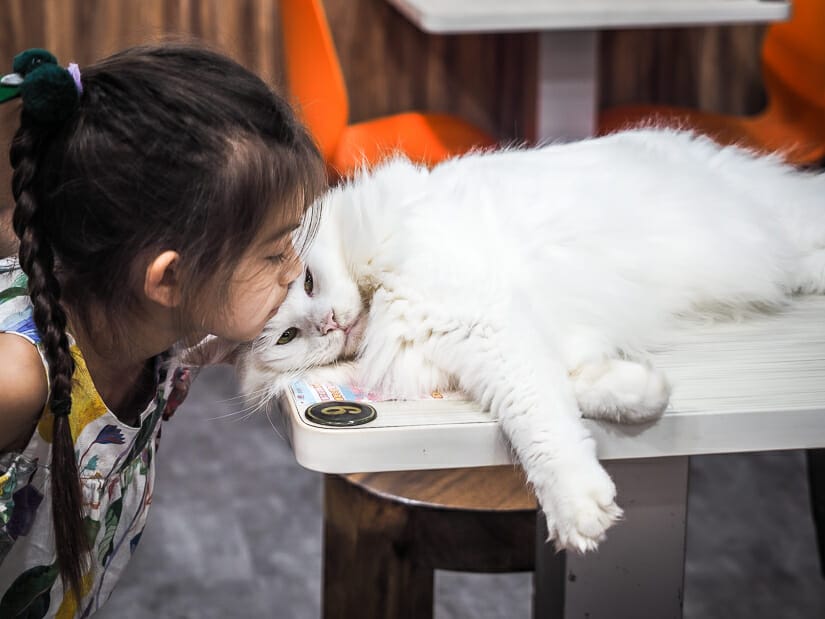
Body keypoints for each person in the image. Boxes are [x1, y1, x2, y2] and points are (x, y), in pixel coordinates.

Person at [0, 44, 326, 616]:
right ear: (170, 278)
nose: (293, 268)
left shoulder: (154, 331)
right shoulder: (17, 378)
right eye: (275, 250)